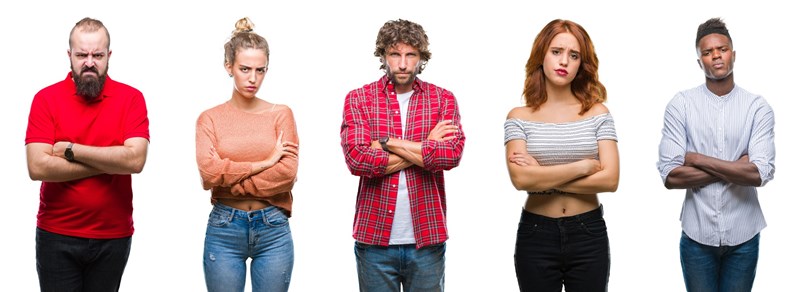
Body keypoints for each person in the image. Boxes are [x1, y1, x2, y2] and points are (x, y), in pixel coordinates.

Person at [24, 17, 150, 292]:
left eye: (97, 55)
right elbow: (37, 167)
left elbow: (136, 161)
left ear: (109, 56)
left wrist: (71, 150)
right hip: (56, 234)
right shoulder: (46, 99)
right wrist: (112, 162)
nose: (89, 62)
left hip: (113, 235)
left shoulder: (131, 99)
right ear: (69, 56)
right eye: (82, 55)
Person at [340, 19, 465, 291]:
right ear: (384, 56)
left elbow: (451, 155)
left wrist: (385, 142)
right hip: (374, 240)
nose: (403, 64)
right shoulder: (359, 99)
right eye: (395, 54)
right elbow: (358, 160)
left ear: (422, 58)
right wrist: (425, 145)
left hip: (427, 238)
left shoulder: (442, 99)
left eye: (411, 55)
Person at [657, 17, 775, 292]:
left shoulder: (757, 108)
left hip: (744, 237)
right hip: (697, 238)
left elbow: (759, 174)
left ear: (733, 54)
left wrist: (697, 159)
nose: (716, 56)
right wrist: (736, 167)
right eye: (707, 53)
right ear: (700, 62)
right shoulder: (681, 105)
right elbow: (671, 176)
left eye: (721, 49)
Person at [503, 19, 619, 292]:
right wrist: (583, 166)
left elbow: (610, 180)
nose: (564, 61)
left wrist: (541, 176)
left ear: (581, 64)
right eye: (556, 51)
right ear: (541, 54)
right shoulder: (518, 117)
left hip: (588, 233)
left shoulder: (598, 114)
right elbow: (521, 179)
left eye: (574, 55)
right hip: (536, 234)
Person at [195, 17, 299, 292]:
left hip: (273, 228)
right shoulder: (210, 119)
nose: (253, 78)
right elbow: (208, 174)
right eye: (244, 69)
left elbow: (287, 175)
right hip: (224, 228)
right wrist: (265, 163)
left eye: (260, 70)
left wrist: (229, 180)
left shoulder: (281, 114)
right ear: (229, 66)